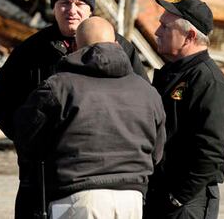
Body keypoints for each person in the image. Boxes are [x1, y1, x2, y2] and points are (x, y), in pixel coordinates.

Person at [0, 0, 149, 218]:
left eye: (79, 4)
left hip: (109, 176)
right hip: (41, 177)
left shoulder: (120, 49)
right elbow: (0, 102)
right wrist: (31, 142)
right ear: (54, 8)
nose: (71, 10)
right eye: (64, 3)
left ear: (90, 10)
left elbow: (143, 103)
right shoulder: (32, 50)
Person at [14, 17, 166, 219]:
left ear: (75, 46)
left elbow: (26, 136)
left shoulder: (58, 87)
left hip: (76, 196)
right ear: (115, 44)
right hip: (132, 199)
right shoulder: (147, 91)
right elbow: (157, 151)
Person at [143, 0, 224, 219]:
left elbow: (211, 151)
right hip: (161, 194)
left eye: (165, 27)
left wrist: (178, 196)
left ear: (190, 36)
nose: (157, 32)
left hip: (186, 203)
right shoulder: (173, 73)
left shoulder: (210, 84)